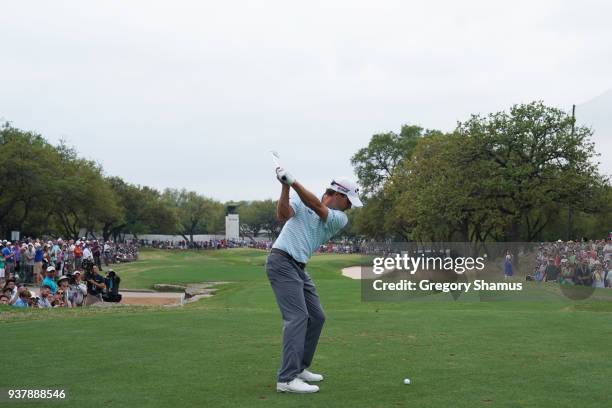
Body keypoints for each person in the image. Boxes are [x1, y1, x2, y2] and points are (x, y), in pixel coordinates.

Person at [266, 168, 362, 394]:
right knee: (297, 317)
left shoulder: (340, 218)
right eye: (349, 200)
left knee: (317, 317)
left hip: (299, 267)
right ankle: (286, 379)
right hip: (281, 261)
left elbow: (317, 207)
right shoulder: (302, 202)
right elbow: (283, 214)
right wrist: (285, 186)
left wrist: (293, 181)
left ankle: (299, 368)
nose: (350, 206)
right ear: (338, 194)